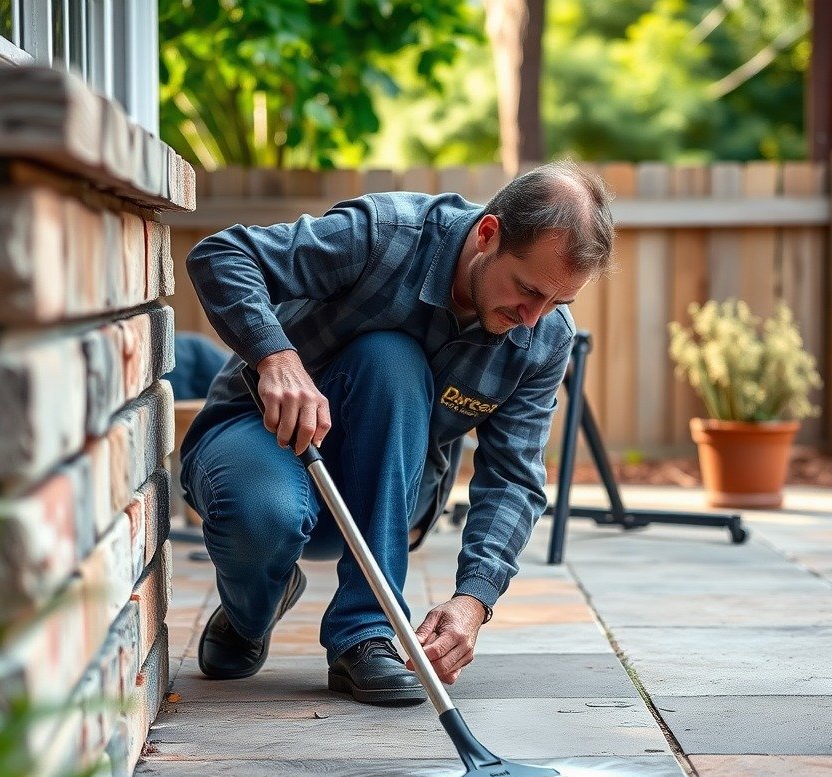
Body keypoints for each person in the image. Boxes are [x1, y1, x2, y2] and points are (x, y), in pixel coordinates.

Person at [180, 160, 614, 706]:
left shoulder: (543, 338)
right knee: (272, 509)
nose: (534, 318)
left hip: (381, 503)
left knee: (393, 363)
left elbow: (513, 479)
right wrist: (276, 356)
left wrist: (473, 600)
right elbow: (221, 255)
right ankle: (252, 610)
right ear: (488, 234)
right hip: (257, 432)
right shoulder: (385, 235)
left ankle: (364, 635)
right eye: (527, 290)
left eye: (558, 302)